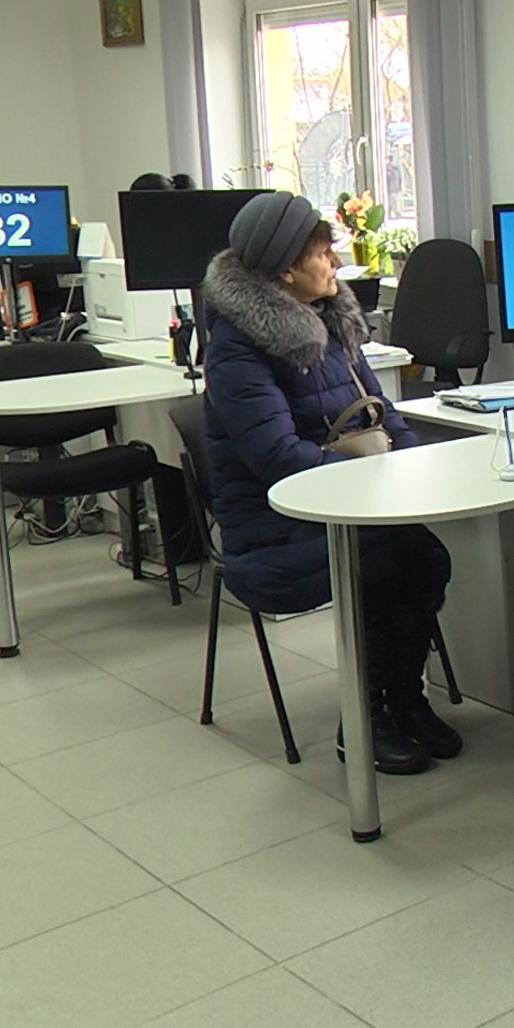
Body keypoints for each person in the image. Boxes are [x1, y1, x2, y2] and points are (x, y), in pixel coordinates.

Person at [201, 191, 460, 775]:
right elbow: (278, 458)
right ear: (285, 270)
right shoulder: (236, 349)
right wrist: (372, 486)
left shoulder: (330, 321)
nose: (336, 263)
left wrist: (413, 470)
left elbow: (382, 413)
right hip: (276, 526)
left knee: (426, 558)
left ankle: (405, 699)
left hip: (348, 502)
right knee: (381, 564)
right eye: (323, 253)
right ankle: (362, 720)